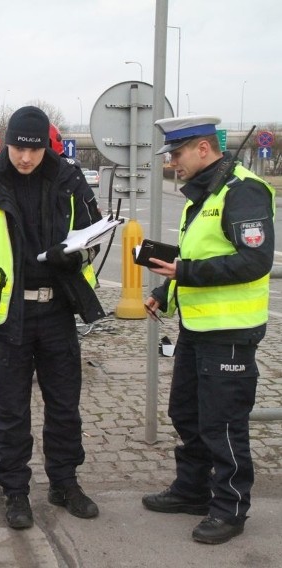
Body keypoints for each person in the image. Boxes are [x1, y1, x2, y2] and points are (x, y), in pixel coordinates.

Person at [0, 106, 104, 530]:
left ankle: (65, 482)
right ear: (7, 144)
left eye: (33, 151)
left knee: (64, 405)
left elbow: (95, 236)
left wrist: (72, 256)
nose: (25, 159)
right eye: (18, 148)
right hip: (9, 315)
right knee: (13, 410)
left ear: (44, 148)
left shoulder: (70, 183)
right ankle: (15, 489)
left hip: (57, 310)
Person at [140, 115, 275, 545]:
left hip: (231, 333)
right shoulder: (203, 194)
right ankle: (192, 491)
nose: (172, 163)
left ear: (203, 149)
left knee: (223, 424)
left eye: (177, 155)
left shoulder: (244, 191)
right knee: (187, 412)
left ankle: (230, 509)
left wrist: (185, 270)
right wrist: (166, 289)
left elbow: (254, 262)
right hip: (198, 328)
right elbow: (196, 256)